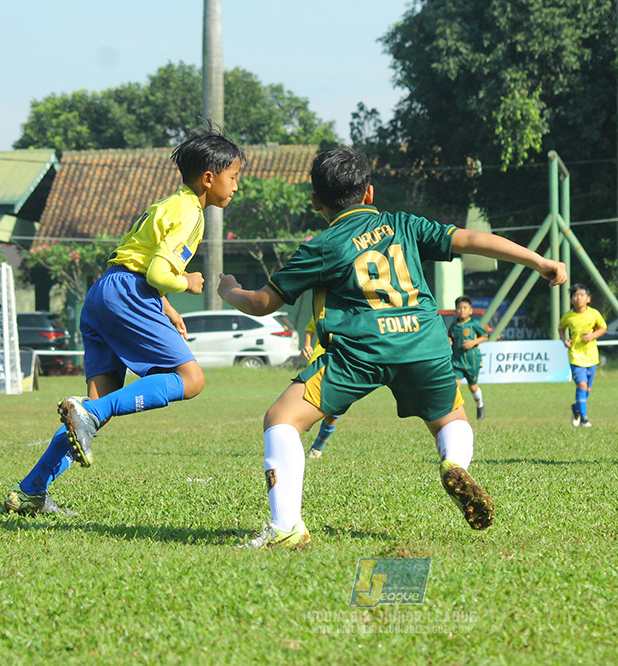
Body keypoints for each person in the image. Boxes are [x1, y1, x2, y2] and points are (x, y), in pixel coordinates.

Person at [217, 146, 567, 548]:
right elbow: (470, 239)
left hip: (360, 351)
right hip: (424, 343)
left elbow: (263, 302)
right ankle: (454, 463)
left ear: (316, 202)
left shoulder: (323, 246)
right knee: (450, 418)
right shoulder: (402, 223)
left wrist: (230, 290)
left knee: (281, 420)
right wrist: (538, 261)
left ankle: (286, 527)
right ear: (369, 193)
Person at [4, 127, 246, 514]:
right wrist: (187, 282)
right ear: (209, 178)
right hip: (131, 292)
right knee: (192, 379)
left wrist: (164, 305)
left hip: (105, 292)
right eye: (234, 177)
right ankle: (89, 415)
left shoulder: (170, 203)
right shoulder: (190, 215)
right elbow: (156, 273)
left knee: (91, 412)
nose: (237, 186)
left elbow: (139, 257)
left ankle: (31, 490)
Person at [558, 284, 607, 427]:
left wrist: (592, 335)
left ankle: (577, 409)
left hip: (591, 356)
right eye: (575, 295)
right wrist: (564, 340)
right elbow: (561, 328)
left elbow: (603, 328)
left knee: (587, 389)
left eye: (581, 295)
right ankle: (584, 418)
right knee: (582, 385)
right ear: (571, 300)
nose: (578, 298)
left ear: (588, 299)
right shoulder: (568, 316)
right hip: (576, 356)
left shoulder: (594, 314)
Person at [301, 317, 339, 459]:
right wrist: (307, 345)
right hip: (317, 364)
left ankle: (316, 449)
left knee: (334, 412)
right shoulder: (325, 309)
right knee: (306, 402)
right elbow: (310, 329)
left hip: (339, 366)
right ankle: (309, 420)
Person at [448, 295, 489, 420]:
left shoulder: (474, 324)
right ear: (456, 311)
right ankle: (456, 412)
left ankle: (480, 405)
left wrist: (473, 342)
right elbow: (450, 337)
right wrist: (449, 340)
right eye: (459, 308)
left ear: (470, 310)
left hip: (472, 361)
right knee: (455, 385)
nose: (462, 310)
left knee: (473, 387)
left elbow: (485, 336)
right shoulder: (453, 326)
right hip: (457, 362)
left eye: (465, 308)